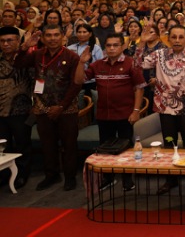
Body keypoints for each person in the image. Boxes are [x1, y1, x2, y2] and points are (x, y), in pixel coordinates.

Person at [135, 24, 185, 195]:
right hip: (165, 108)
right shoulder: (159, 55)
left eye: (181, 37)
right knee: (169, 143)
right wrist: (141, 44)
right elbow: (138, 65)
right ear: (168, 39)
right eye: (173, 37)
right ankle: (171, 179)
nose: (177, 40)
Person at [75, 32, 145, 192]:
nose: (112, 48)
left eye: (115, 45)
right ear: (104, 47)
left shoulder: (130, 63)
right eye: (109, 45)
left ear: (122, 46)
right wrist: (81, 63)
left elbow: (139, 88)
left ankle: (128, 179)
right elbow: (79, 81)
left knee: (126, 148)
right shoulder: (97, 65)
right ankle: (108, 178)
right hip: (104, 115)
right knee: (105, 148)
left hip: (125, 114)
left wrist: (136, 111)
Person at [15, 25, 82, 191]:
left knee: (69, 145)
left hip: (66, 108)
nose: (52, 38)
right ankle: (51, 175)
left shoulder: (72, 56)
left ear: (62, 37)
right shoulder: (37, 54)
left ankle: (70, 177)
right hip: (42, 107)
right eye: (49, 35)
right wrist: (24, 48)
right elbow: (19, 64)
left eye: (56, 35)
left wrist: (61, 106)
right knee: (48, 145)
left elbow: (76, 85)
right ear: (43, 38)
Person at [0, 26, 34, 189]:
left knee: (22, 144)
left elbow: (36, 81)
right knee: (3, 145)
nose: (6, 44)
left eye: (10, 40)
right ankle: (4, 174)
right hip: (0, 111)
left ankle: (22, 174)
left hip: (21, 110)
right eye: (2, 41)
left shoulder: (26, 59)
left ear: (18, 41)